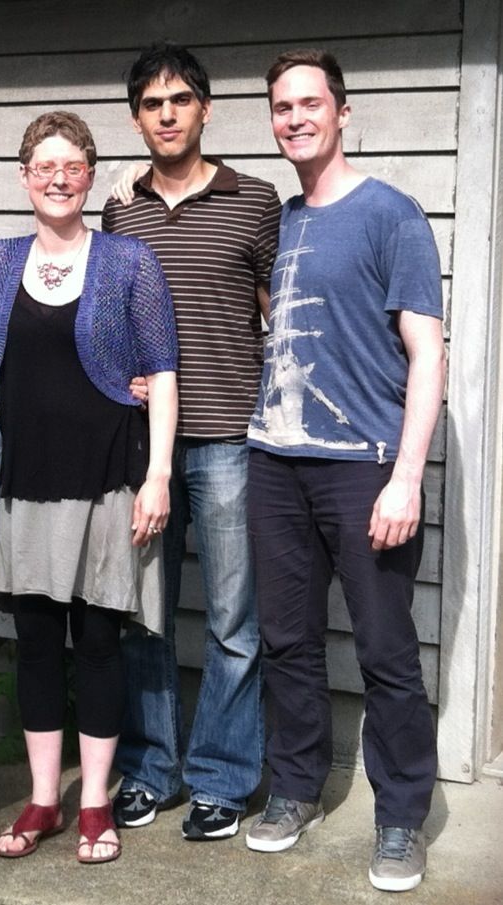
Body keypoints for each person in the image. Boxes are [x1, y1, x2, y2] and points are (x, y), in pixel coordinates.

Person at [244, 50, 444, 893]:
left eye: (310, 103)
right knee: (287, 642)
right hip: (274, 462)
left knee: (387, 650)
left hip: (362, 467)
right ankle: (293, 787)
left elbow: (426, 354)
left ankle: (400, 817)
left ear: (342, 112)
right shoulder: (280, 222)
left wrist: (407, 475)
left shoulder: (391, 214)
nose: (296, 118)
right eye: (282, 107)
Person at [0, 111, 178, 865]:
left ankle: (95, 806)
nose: (58, 178)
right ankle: (44, 798)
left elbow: (165, 369)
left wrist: (158, 477)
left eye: (73, 167)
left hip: (107, 481)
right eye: (43, 166)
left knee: (96, 642)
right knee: (35, 643)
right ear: (24, 177)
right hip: (22, 481)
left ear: (91, 177)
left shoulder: (128, 262)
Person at [103, 43, 281, 841]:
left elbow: (283, 313)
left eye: (180, 100)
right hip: (143, 449)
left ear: (206, 108)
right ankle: (150, 770)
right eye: (151, 103)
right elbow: (101, 318)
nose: (166, 114)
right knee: (145, 615)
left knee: (233, 620)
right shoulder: (120, 209)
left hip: (232, 440)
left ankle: (222, 777)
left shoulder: (256, 200)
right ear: (137, 116)